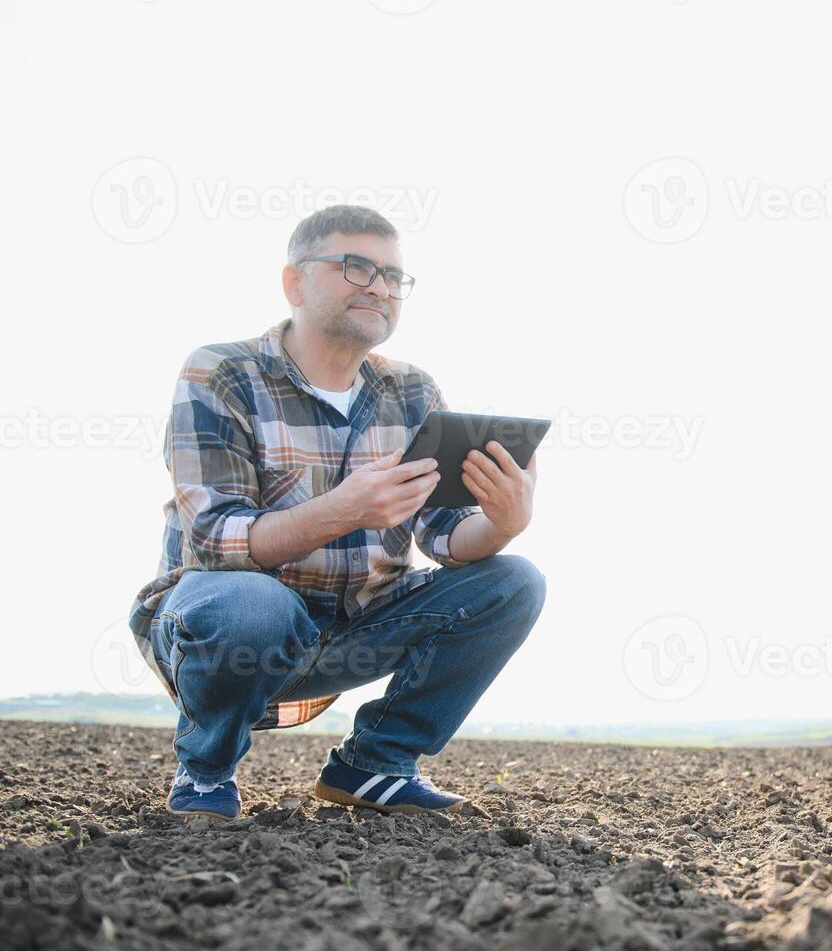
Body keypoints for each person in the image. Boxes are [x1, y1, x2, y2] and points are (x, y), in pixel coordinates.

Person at [125, 205, 546, 820]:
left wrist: (504, 522)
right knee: (253, 604)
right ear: (294, 282)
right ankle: (206, 772)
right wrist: (341, 510)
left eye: (392, 275)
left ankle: (373, 765)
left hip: (355, 629)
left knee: (514, 582)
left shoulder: (412, 392)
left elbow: (447, 537)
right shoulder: (222, 372)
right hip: (228, 625)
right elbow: (215, 540)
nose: (378, 284)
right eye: (355, 267)